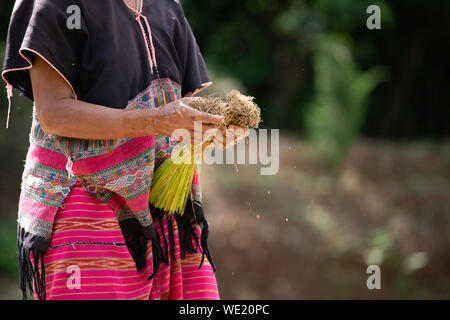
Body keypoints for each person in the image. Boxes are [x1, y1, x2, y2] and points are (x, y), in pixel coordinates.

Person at [2, 0, 247, 300]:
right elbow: (54, 114)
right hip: (87, 209)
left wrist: (210, 129)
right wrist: (157, 120)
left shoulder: (166, 6)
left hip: (166, 211)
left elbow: (177, 114)